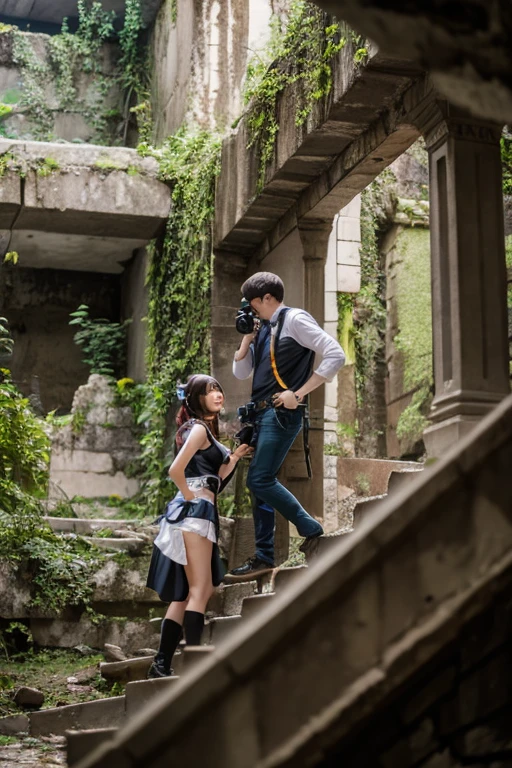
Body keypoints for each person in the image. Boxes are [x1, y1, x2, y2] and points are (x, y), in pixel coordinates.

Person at [227, 271, 345, 580]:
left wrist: (299, 393)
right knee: (260, 486)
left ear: (267, 299)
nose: (250, 312)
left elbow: (335, 353)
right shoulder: (264, 328)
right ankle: (264, 556)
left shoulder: (295, 320)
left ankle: (309, 528)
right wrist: (248, 336)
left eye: (252, 305)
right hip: (261, 415)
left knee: (260, 479)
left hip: (281, 414)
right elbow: (241, 371)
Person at [146, 374, 252, 678]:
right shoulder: (197, 429)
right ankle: (193, 663)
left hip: (193, 512)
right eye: (209, 391)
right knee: (201, 588)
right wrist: (193, 497)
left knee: (186, 594)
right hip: (194, 513)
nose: (218, 394)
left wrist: (234, 457)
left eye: (218, 388)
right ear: (195, 398)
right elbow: (175, 469)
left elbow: (214, 481)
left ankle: (161, 664)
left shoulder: (203, 430)